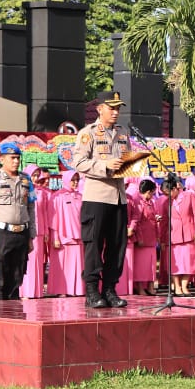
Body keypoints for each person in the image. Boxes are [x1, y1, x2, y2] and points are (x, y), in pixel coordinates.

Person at [71, 92, 131, 308]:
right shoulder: (89, 133)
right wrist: (105, 166)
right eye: (111, 108)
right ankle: (92, 291)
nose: (116, 112)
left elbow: (127, 160)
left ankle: (110, 289)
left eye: (118, 108)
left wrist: (133, 165)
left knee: (117, 247)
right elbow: (78, 162)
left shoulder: (123, 133)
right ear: (99, 109)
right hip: (97, 197)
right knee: (94, 246)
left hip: (119, 199)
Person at [0, 142, 35, 301]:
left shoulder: (25, 179)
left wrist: (31, 237)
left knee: (17, 279)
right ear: (2, 159)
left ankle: (14, 318)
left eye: (18, 158)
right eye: (12, 158)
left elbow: (31, 208)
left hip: (22, 234)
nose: (16, 161)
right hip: (1, 234)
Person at [160, 175, 195, 296]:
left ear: (174, 188)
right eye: (164, 193)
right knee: (175, 263)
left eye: (168, 192)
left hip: (189, 234)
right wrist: (162, 239)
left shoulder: (189, 196)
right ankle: (177, 287)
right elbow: (164, 223)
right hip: (173, 237)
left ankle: (184, 286)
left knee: (189, 262)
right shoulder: (166, 203)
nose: (167, 196)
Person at [48, 171, 84, 297]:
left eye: (77, 180)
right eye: (72, 179)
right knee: (62, 266)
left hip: (78, 236)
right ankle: (61, 290)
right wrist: (55, 237)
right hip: (63, 237)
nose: (75, 182)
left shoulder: (80, 196)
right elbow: (53, 218)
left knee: (78, 264)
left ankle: (76, 290)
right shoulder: (57, 196)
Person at [20, 164, 52, 299]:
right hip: (25, 230)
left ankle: (36, 291)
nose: (35, 178)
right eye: (33, 175)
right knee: (25, 261)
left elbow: (44, 213)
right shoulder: (22, 189)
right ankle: (24, 291)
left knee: (37, 262)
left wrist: (45, 231)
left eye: (36, 175)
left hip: (38, 232)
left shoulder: (41, 192)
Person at [128, 179, 160, 295]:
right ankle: (140, 287)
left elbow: (153, 219)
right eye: (151, 192)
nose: (151, 195)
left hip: (151, 237)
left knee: (151, 265)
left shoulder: (151, 202)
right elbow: (138, 222)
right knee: (141, 265)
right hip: (143, 239)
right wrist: (140, 238)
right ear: (147, 191)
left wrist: (157, 235)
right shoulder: (138, 202)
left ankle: (151, 286)